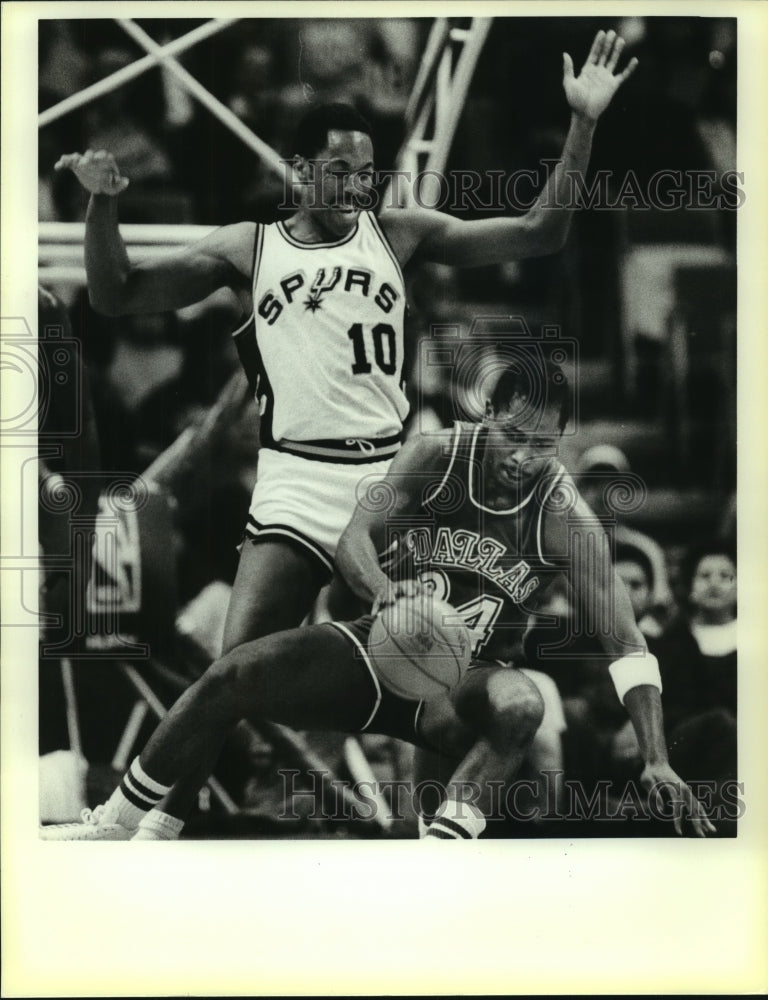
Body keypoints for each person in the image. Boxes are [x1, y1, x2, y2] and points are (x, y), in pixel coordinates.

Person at [52, 29, 639, 837]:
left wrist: (584, 124)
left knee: (436, 671)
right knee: (232, 670)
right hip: (295, 479)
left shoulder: (399, 233)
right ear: (297, 170)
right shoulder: (248, 248)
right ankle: (158, 827)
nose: (358, 185)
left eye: (366, 171)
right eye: (339, 171)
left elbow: (542, 230)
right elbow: (116, 296)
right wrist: (104, 203)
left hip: (395, 482)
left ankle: (433, 826)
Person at [41, 355, 714, 840]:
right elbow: (353, 538)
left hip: (459, 685)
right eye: (513, 435)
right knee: (230, 675)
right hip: (375, 646)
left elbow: (627, 641)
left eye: (541, 444)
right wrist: (387, 590)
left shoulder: (566, 515)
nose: (522, 456)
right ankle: (124, 825)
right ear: (487, 418)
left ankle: (443, 855)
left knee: (524, 705)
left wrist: (656, 755)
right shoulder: (433, 457)